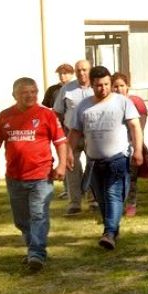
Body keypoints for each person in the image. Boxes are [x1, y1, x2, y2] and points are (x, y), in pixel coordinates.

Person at [0, 77, 69, 270]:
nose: (30, 95)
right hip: (15, 177)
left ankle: (37, 253)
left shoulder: (47, 115)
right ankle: (33, 248)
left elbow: (60, 142)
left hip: (41, 176)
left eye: (33, 92)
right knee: (21, 219)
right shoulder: (5, 116)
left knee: (38, 215)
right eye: (24, 92)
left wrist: (62, 165)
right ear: (14, 95)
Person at [69, 66, 143, 250]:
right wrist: (68, 153)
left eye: (106, 84)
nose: (103, 88)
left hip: (117, 159)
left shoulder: (122, 102)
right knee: (102, 200)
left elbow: (135, 127)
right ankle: (112, 230)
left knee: (113, 195)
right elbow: (75, 132)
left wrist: (138, 150)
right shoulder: (84, 106)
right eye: (98, 85)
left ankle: (109, 232)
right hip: (94, 161)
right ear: (91, 85)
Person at [53, 59, 93, 214]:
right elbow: (57, 112)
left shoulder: (97, 87)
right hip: (71, 134)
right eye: (78, 70)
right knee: (71, 167)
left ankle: (93, 199)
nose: (82, 73)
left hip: (92, 135)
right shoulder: (67, 89)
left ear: (90, 70)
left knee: (93, 167)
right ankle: (74, 203)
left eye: (84, 69)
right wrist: (61, 132)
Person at [110, 72, 148, 218]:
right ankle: (117, 204)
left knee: (131, 177)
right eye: (115, 86)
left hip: (130, 145)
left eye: (122, 86)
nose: (119, 89)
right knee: (115, 178)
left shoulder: (136, 102)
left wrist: (137, 144)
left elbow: (141, 126)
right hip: (114, 147)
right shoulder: (109, 104)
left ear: (127, 87)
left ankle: (131, 203)